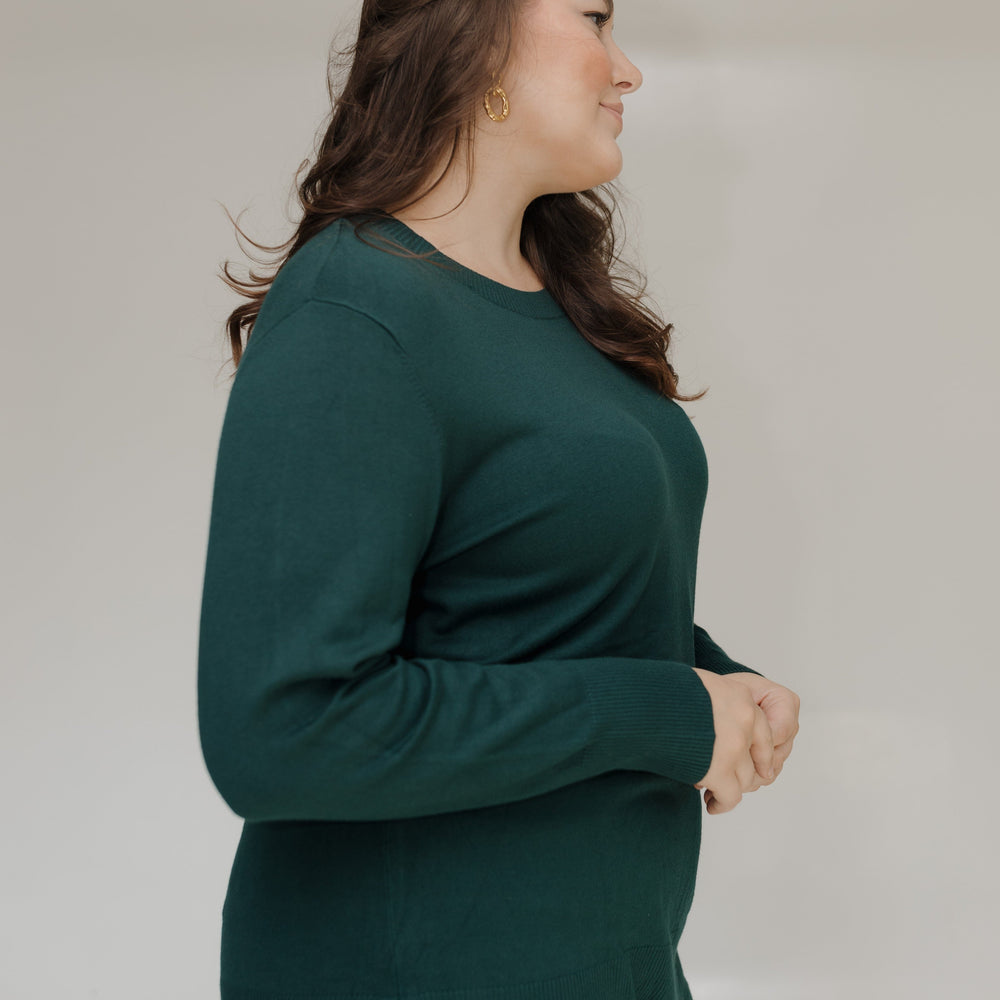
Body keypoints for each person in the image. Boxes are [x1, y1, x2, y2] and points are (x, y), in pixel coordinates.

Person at [197, 1, 801, 998]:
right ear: (467, 31)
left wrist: (710, 685)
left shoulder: (557, 309)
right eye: (594, 18)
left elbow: (511, 601)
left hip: (606, 960)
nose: (627, 70)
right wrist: (659, 711)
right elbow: (284, 728)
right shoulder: (357, 308)